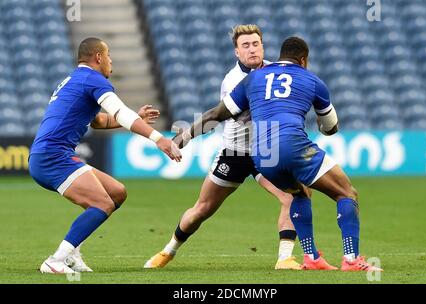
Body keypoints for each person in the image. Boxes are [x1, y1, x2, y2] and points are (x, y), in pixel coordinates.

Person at [172, 36, 383, 272]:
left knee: (299, 194)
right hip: (293, 145)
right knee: (347, 192)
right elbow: (331, 128)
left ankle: (312, 258)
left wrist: (183, 137)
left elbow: (215, 114)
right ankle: (351, 259)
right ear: (303, 60)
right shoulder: (313, 80)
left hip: (263, 156)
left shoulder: (254, 78)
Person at [144, 25, 334, 271]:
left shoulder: (275, 72)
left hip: (267, 150)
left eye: (256, 44)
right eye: (245, 45)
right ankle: (168, 250)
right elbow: (217, 116)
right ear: (236, 52)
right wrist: (183, 138)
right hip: (236, 152)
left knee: (296, 194)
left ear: (263, 47)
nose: (252, 49)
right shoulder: (233, 81)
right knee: (203, 209)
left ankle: (285, 258)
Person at [29, 37, 182, 274]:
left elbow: (99, 121)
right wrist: (158, 138)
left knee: (116, 193)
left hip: (49, 154)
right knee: (101, 203)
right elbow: (120, 112)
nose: (111, 61)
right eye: (108, 55)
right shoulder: (93, 79)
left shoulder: (75, 80)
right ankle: (55, 260)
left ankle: (72, 254)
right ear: (98, 57)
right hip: (52, 156)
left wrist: (136, 119)